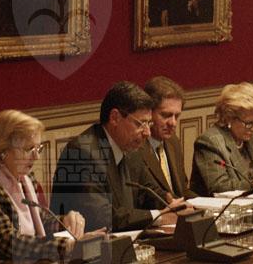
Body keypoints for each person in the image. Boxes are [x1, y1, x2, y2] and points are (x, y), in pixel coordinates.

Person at [0, 110, 101, 262]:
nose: (36, 157)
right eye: (29, 149)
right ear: (2, 151)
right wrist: (67, 246)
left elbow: (41, 220)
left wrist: (64, 222)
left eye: (38, 148)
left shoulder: (24, 178)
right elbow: (10, 244)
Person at [51, 81, 183, 232]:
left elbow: (148, 191)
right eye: (140, 124)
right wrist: (159, 216)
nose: (147, 132)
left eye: (149, 123)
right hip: (87, 244)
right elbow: (101, 217)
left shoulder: (131, 148)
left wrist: (170, 202)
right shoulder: (81, 153)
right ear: (115, 118)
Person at [190, 82, 253, 196]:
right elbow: (219, 186)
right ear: (229, 118)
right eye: (248, 123)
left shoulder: (252, 139)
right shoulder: (210, 142)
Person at [139, 76, 197, 199]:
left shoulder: (173, 142)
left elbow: (182, 191)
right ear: (148, 113)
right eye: (166, 115)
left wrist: (207, 204)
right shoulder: (136, 148)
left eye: (177, 116)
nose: (173, 123)